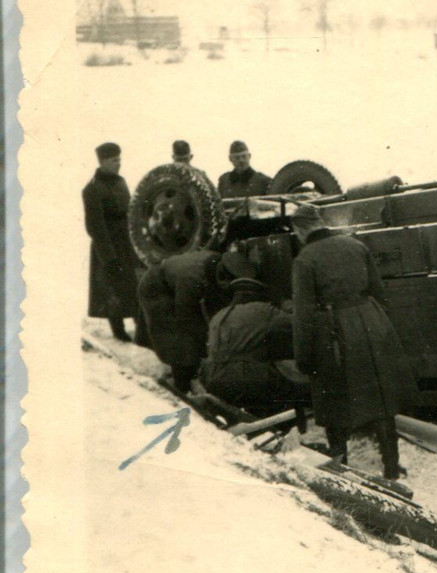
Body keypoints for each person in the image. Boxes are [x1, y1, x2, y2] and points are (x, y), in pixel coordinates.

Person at [290, 204, 414, 479]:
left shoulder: (304, 260)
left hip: (333, 332)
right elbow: (379, 292)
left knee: (332, 398)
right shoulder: (355, 245)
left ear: (299, 230)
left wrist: (304, 357)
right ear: (320, 221)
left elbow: (303, 315)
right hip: (371, 323)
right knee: (380, 397)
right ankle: (391, 467)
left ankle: (340, 467)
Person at [201, 253, 312, 416]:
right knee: (301, 389)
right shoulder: (264, 311)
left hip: (212, 378)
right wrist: (287, 304)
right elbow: (302, 324)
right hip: (248, 378)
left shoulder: (219, 316)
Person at [138, 248, 226, 393]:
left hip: (173, 282)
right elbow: (187, 318)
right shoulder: (191, 279)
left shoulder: (217, 261)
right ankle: (181, 382)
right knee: (177, 337)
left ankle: (189, 373)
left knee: (191, 337)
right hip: (156, 287)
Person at [83, 142, 144, 343]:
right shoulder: (92, 189)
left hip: (127, 243)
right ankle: (118, 331)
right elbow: (95, 227)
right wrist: (109, 257)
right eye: (114, 160)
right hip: (108, 246)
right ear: (103, 162)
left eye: (119, 159)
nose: (119, 163)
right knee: (112, 289)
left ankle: (141, 329)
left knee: (133, 285)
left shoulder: (121, 182)